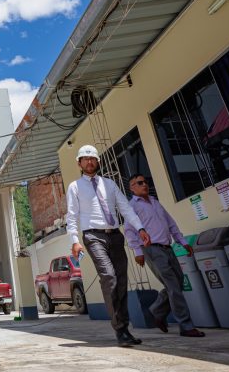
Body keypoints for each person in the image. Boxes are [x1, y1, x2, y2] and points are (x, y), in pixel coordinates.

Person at [66, 145, 151, 347]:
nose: (89, 162)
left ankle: (125, 329)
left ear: (98, 162)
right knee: (109, 277)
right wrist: (75, 241)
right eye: (85, 159)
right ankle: (119, 330)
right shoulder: (75, 186)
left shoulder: (110, 184)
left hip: (115, 236)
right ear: (79, 163)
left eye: (92, 158)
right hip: (93, 237)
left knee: (121, 282)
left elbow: (126, 208)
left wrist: (140, 228)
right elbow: (71, 215)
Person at [125, 174, 205, 338]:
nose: (144, 185)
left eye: (145, 182)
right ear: (132, 187)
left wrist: (182, 242)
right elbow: (129, 231)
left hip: (168, 248)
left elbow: (171, 223)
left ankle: (156, 311)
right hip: (152, 250)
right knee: (173, 286)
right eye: (139, 183)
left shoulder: (154, 202)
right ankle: (186, 325)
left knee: (178, 282)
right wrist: (138, 252)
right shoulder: (132, 206)